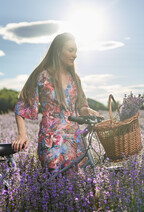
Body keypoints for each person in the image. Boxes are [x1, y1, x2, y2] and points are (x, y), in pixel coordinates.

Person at [12, 32, 100, 174]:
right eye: (70, 50)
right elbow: (22, 106)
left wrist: (87, 110)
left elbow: (81, 107)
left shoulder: (75, 78)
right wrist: (22, 134)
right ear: (59, 52)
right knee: (54, 183)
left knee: (79, 185)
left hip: (75, 140)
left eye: (76, 51)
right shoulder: (41, 76)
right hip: (51, 140)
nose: (75, 55)